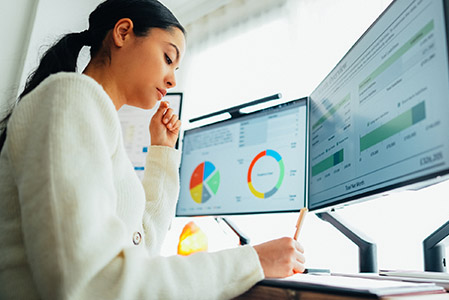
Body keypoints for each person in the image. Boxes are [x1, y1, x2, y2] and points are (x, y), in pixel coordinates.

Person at [0, 0, 305, 299]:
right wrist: (253, 261)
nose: (172, 79)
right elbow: (93, 283)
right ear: (123, 33)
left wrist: (162, 151)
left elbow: (140, 246)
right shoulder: (69, 96)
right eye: (168, 57)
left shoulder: (94, 118)